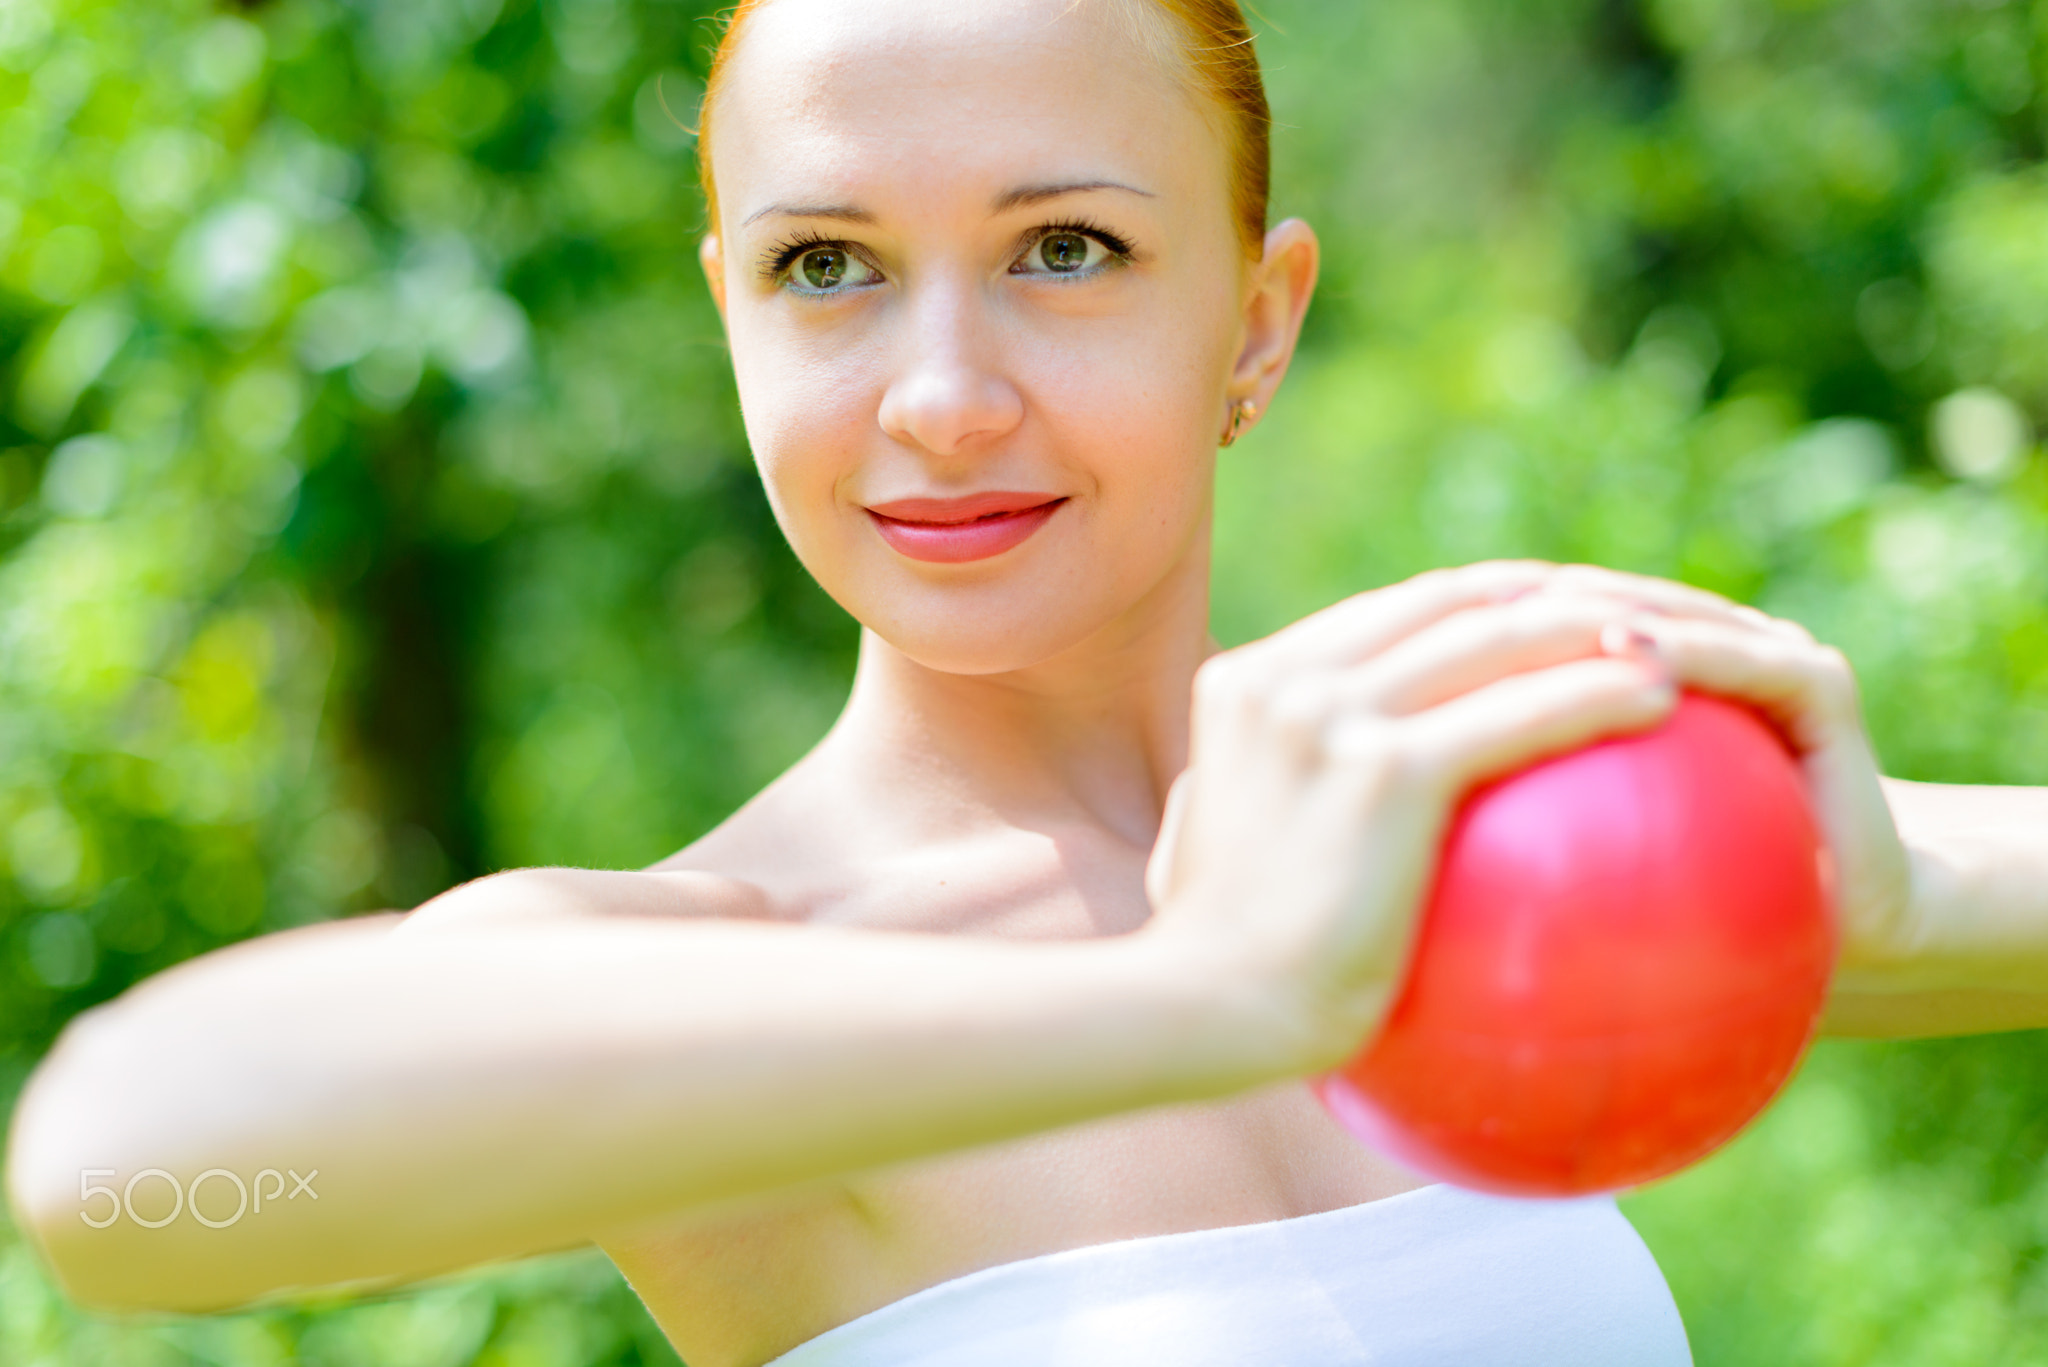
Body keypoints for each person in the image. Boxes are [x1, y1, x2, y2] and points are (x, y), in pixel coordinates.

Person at [8, 1, 2048, 1363]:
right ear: (731, 314)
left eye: (1065, 248)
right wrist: (1189, 1000)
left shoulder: (1437, 825)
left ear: (1256, 322)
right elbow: (131, 1180)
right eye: (826, 267)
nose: (944, 398)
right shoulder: (741, 963)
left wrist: (1900, 904)